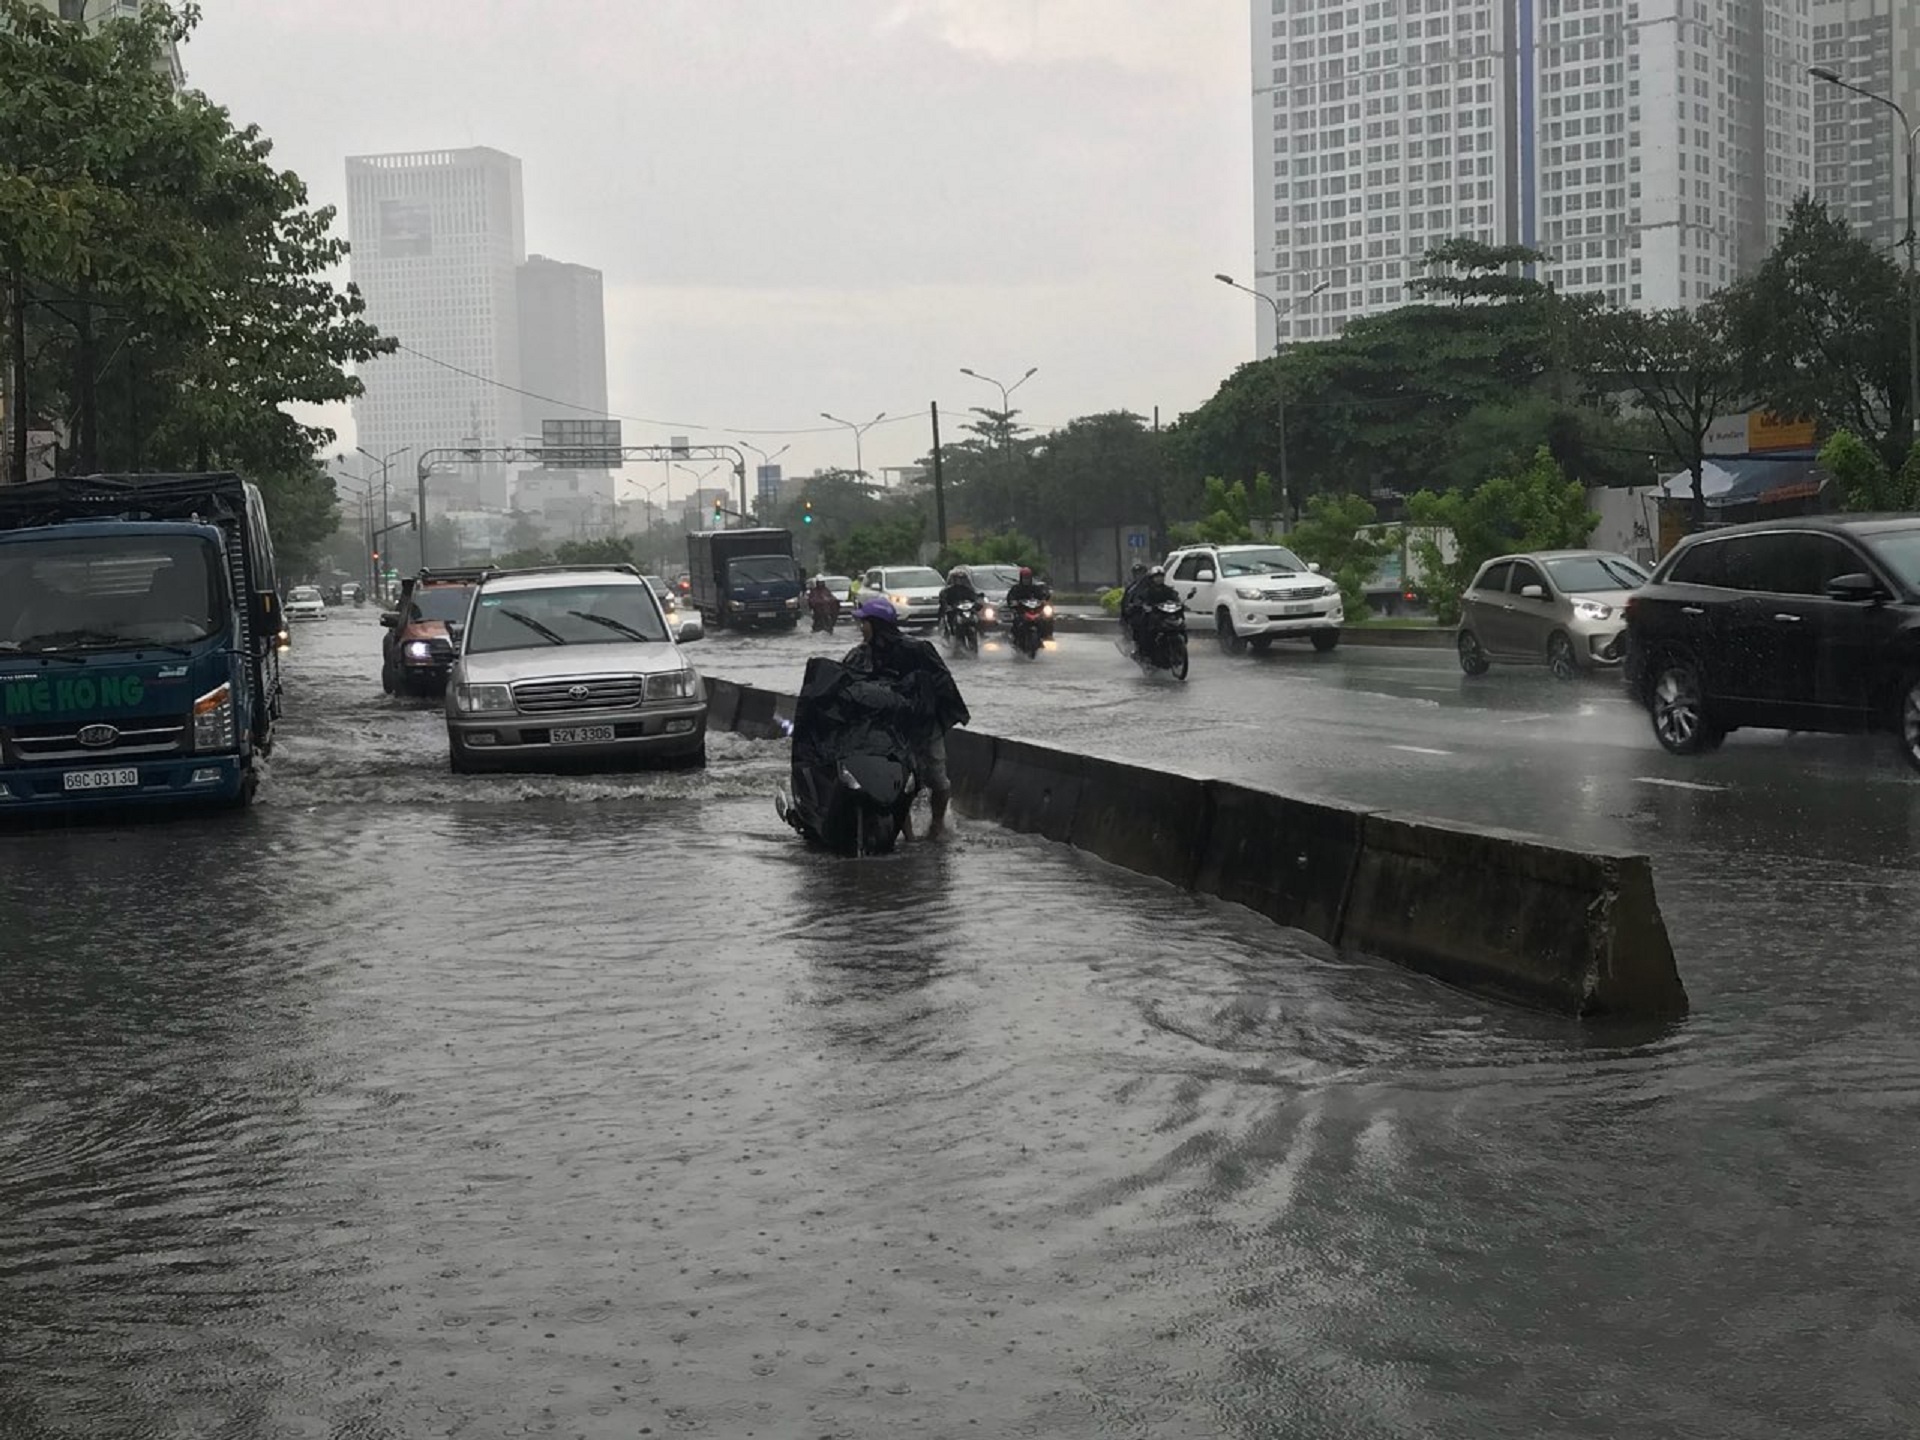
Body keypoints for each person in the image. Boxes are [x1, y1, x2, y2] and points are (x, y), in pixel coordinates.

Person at [844, 595, 970, 838]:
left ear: (878, 625)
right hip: (887, 729)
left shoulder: (918, 650)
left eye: (865, 623)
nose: (861, 629)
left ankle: (937, 824)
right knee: (898, 783)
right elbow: (844, 684)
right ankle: (908, 836)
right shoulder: (859, 655)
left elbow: (944, 684)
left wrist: (937, 714)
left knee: (938, 780)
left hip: (924, 726)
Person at [1129, 564, 1181, 657]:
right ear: (1152, 578)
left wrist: (1180, 604)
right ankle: (1144, 652)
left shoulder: (1168, 590)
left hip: (1166, 615)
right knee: (1146, 630)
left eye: (1161, 577)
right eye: (1157, 577)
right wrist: (1143, 605)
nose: (1159, 579)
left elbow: (1175, 598)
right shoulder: (1147, 591)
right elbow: (1140, 600)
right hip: (1153, 616)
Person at [937, 567, 981, 636]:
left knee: (977, 616)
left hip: (966, 610)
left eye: (962, 579)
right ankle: (950, 632)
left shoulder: (968, 589)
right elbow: (943, 600)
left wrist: (977, 603)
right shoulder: (947, 591)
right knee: (948, 617)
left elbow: (974, 597)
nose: (959, 581)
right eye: (957, 579)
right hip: (953, 610)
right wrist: (946, 606)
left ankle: (979, 632)